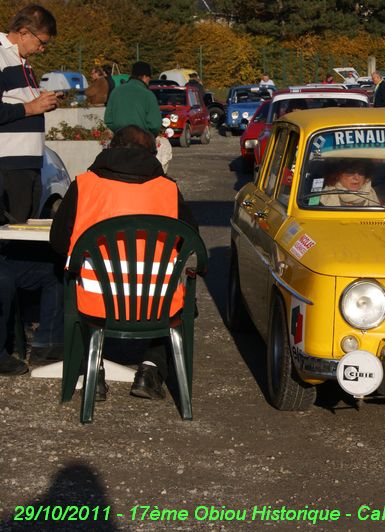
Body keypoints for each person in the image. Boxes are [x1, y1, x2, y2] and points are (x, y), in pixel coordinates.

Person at [50, 125, 199, 399]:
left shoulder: (84, 185)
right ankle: (150, 369)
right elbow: (192, 242)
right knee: (183, 297)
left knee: (69, 282)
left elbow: (59, 243)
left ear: (110, 148)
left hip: (96, 299)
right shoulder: (168, 190)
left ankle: (93, 369)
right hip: (157, 299)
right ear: (152, 154)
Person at [0, 4, 59, 224]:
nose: (42, 49)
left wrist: (44, 103)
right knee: (12, 239)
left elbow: (17, 103)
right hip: (8, 165)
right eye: (41, 43)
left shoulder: (22, 61)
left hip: (27, 165)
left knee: (24, 232)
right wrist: (31, 108)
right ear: (24, 32)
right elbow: (23, 108)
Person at [104, 61, 161, 136]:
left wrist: (119, 132)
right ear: (144, 76)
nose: (149, 81)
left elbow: (108, 120)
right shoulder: (148, 94)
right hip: (141, 141)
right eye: (149, 78)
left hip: (120, 141)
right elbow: (155, 125)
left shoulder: (116, 92)